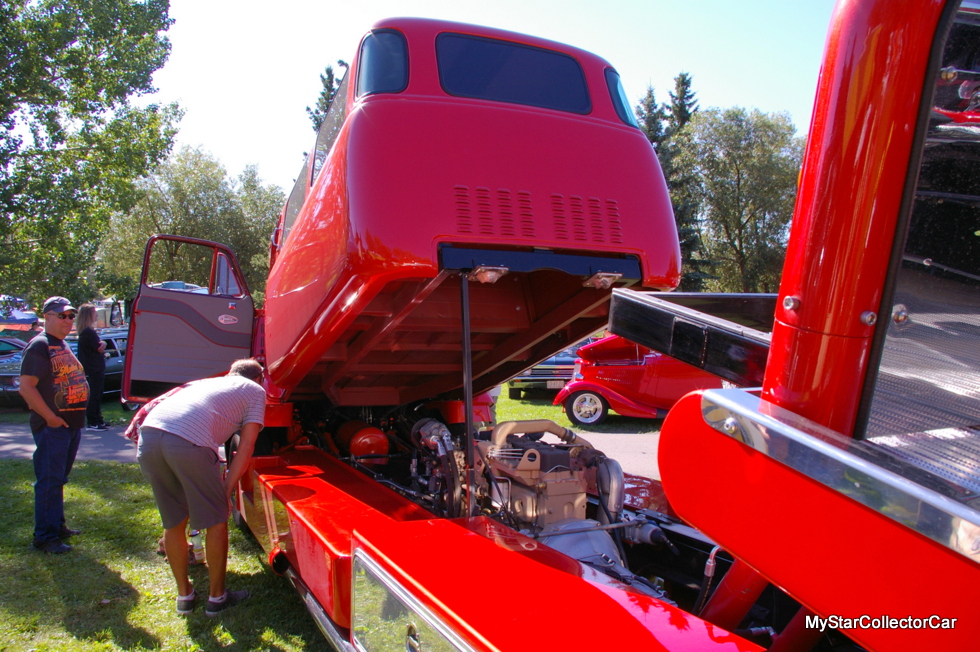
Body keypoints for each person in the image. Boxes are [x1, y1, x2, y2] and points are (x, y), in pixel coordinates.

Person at [137, 359, 266, 617]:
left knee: (173, 522)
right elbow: (247, 445)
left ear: (230, 373)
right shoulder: (255, 391)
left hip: (149, 438)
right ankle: (217, 599)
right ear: (259, 378)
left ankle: (184, 597)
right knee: (216, 520)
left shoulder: (208, 383)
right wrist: (226, 488)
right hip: (189, 441)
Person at [19, 296, 89, 554]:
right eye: (62, 316)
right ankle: (45, 537)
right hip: (53, 426)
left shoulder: (61, 344)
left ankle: (57, 526)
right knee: (49, 480)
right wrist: (50, 417)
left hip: (70, 425)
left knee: (58, 478)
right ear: (46, 316)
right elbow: (26, 387)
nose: (68, 320)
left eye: (71, 316)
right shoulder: (39, 345)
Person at [75, 303, 108, 431]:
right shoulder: (89, 332)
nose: (96, 315)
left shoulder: (84, 331)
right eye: (94, 312)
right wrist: (104, 343)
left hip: (91, 366)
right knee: (94, 394)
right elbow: (99, 347)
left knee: (97, 394)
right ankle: (93, 421)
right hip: (94, 367)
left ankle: (98, 418)